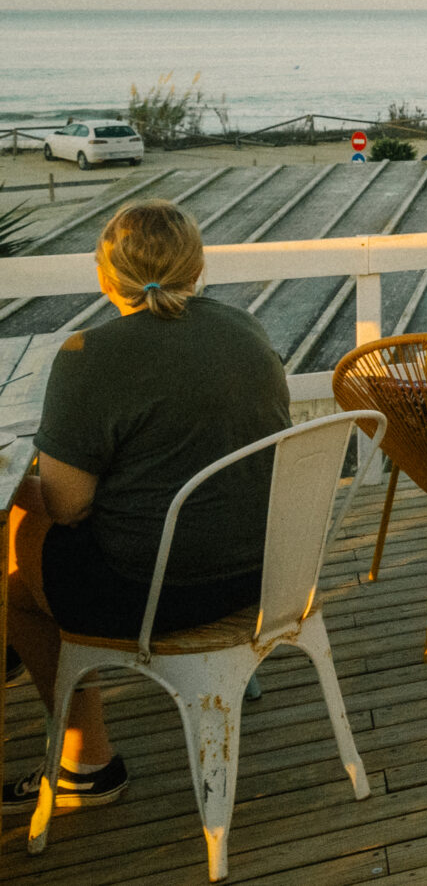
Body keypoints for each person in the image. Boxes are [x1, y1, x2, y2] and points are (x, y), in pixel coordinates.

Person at [5, 200, 290, 813]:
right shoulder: (247, 329)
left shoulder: (89, 355)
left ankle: (85, 764)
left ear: (107, 278)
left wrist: (28, 485)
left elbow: (68, 506)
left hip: (158, 592)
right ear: (199, 265)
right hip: (269, 576)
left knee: (17, 536)